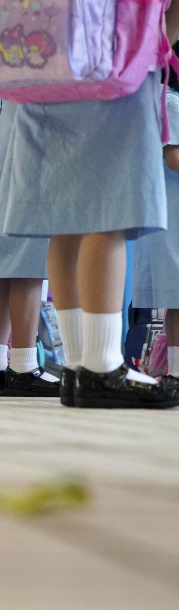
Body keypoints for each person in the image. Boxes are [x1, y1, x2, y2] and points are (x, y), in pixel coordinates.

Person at [0, 0, 179, 409]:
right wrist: (153, 46)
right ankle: (102, 366)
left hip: (43, 60)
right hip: (117, 61)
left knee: (67, 219)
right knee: (108, 211)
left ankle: (78, 364)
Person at [0, 99, 59, 398]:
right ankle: (23, 366)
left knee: (8, 271)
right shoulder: (35, 72)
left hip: (11, 174)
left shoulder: (10, 75)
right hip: (32, 172)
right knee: (30, 269)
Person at [128, 41, 179, 396]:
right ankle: (174, 371)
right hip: (170, 220)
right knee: (175, 299)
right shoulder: (171, 103)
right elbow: (173, 157)